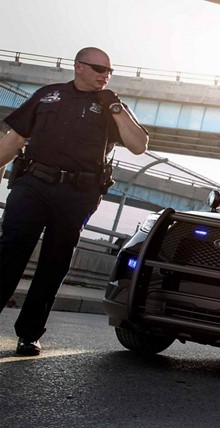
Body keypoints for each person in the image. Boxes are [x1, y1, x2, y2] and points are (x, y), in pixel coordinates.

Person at [0, 47, 148, 356]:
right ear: (78, 66)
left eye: (108, 71)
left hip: (77, 195)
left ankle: (29, 334)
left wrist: (117, 110)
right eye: (97, 68)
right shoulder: (48, 95)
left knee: (54, 263)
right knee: (8, 253)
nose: (103, 75)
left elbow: (138, 145)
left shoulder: (112, 106)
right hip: (33, 185)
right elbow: (14, 140)